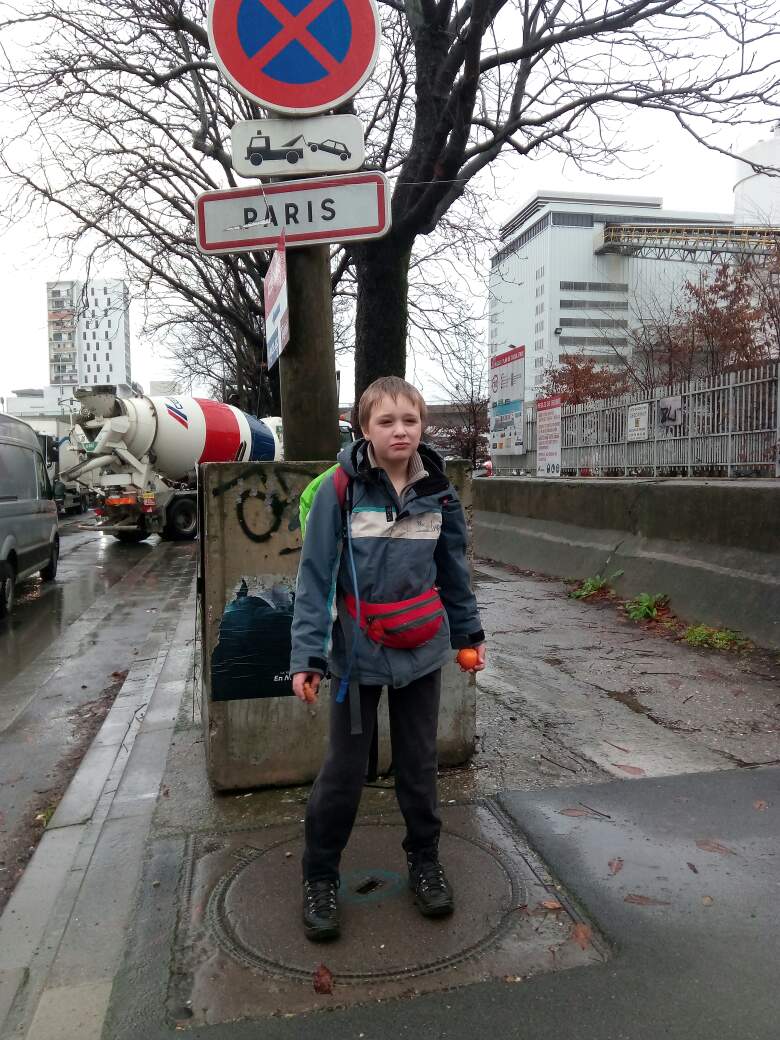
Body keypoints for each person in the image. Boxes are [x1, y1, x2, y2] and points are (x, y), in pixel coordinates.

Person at [290, 376, 486, 942]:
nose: (400, 430)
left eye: (410, 420)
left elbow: (453, 571)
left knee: (419, 766)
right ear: (363, 428)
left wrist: (469, 633)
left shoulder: (438, 493)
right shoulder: (339, 490)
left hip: (422, 650)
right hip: (357, 657)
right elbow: (315, 578)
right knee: (345, 772)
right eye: (386, 421)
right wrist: (308, 656)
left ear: (423, 425)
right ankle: (320, 875)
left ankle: (425, 861)